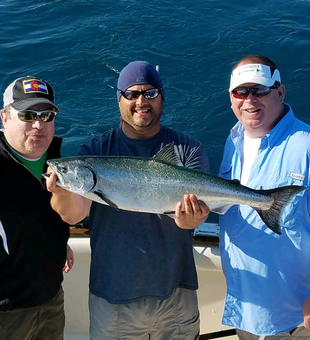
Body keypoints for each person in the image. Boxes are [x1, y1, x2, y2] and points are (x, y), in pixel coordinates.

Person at [46, 61, 210, 340]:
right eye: (131, 94)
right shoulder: (95, 150)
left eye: (150, 93)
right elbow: (73, 216)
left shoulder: (188, 149)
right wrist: (62, 189)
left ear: (162, 96)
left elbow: (198, 214)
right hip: (112, 299)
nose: (140, 102)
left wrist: (194, 219)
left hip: (176, 293)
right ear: (119, 98)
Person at [219, 55, 310, 339]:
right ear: (231, 98)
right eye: (240, 92)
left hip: (296, 318)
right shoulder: (233, 140)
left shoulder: (305, 146)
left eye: (259, 90)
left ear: (280, 91)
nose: (249, 99)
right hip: (246, 308)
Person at [0, 76, 73, 340]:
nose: (38, 124)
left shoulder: (55, 158)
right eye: (28, 115)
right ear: (5, 117)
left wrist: (57, 240)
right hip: (7, 312)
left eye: (47, 114)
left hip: (52, 298)